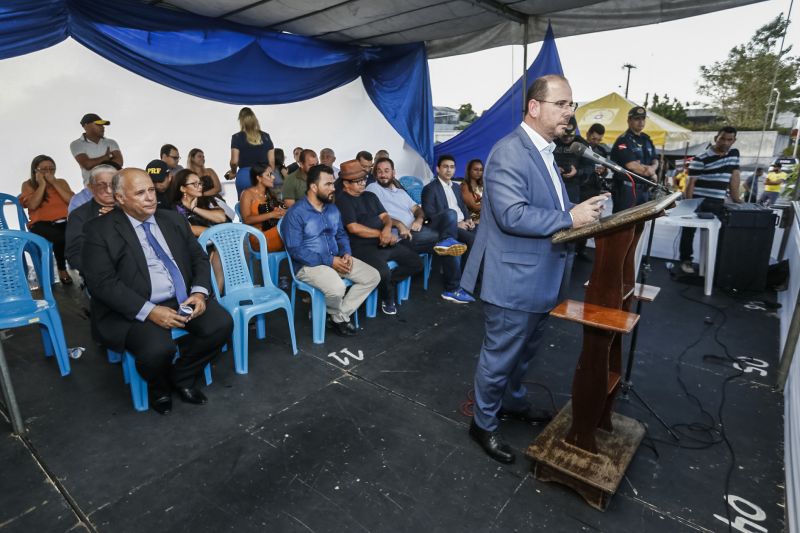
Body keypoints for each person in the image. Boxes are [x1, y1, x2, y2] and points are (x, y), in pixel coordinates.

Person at [460, 74, 609, 464]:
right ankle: (483, 423)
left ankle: (512, 401)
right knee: (500, 357)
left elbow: (546, 208)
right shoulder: (510, 151)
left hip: (542, 276)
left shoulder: (545, 151)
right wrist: (570, 218)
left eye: (572, 105)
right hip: (513, 278)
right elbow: (511, 215)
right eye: (562, 104)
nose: (570, 113)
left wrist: (581, 214)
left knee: (523, 353)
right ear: (534, 107)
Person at [81, 168, 233, 415]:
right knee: (158, 350)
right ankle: (158, 387)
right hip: (135, 305)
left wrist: (199, 292)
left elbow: (198, 258)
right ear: (120, 198)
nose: (150, 197)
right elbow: (102, 283)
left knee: (221, 324)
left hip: (182, 297)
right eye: (140, 193)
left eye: (151, 190)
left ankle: (182, 377)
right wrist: (149, 311)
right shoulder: (100, 230)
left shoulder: (172, 219)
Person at [282, 164, 380, 337]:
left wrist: (346, 253)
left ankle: (337, 316)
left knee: (372, 276)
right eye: (328, 184)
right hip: (309, 265)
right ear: (313, 186)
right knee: (337, 288)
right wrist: (329, 261)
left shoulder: (333, 209)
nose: (333, 188)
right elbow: (295, 250)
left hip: (337, 259)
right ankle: (337, 316)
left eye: (333, 184)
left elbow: (341, 234)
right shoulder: (296, 213)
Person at [367, 157, 473, 304]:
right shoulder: (373, 189)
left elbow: (418, 209)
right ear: (375, 174)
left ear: (393, 173)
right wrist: (399, 224)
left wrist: (418, 219)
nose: (382, 174)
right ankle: (452, 289)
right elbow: (377, 216)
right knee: (451, 243)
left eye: (386, 171)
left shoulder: (400, 192)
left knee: (450, 214)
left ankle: (447, 243)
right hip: (405, 237)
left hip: (420, 229)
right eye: (379, 171)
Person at [335, 160, 422, 315]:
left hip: (383, 242)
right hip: (360, 247)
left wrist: (387, 229)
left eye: (363, 179)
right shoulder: (343, 200)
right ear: (346, 184)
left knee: (416, 263)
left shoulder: (370, 196)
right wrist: (381, 234)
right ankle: (387, 297)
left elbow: (385, 217)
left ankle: (387, 285)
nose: (362, 183)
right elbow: (353, 228)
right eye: (357, 182)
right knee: (383, 272)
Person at [680, 126, 742, 274]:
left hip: (719, 202)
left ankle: (715, 264)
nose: (725, 142)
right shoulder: (700, 158)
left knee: (721, 234)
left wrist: (736, 198)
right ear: (716, 138)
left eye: (729, 139)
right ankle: (685, 260)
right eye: (722, 139)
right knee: (688, 232)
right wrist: (689, 205)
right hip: (699, 201)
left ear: (734, 141)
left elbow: (735, 176)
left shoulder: (734, 154)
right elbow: (690, 184)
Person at [19, 155, 76, 285]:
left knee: (80, 232)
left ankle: (81, 265)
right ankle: (62, 269)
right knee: (61, 237)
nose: (48, 172)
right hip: (40, 224)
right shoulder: (28, 185)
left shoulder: (61, 182)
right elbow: (33, 205)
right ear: (35, 170)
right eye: (44, 169)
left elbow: (72, 201)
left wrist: (54, 183)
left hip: (64, 220)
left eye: (52, 169)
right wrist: (42, 185)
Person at [65, 164, 116, 276]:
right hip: (101, 276)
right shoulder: (79, 216)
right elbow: (74, 254)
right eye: (101, 185)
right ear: (91, 187)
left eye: (113, 184)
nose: (108, 190)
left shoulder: (130, 208)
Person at [69, 113, 123, 212]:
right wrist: (107, 157)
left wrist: (95, 162)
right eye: (98, 124)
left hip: (115, 187)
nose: (102, 127)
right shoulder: (76, 144)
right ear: (85, 126)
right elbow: (87, 164)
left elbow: (119, 162)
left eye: (103, 125)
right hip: (91, 190)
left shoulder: (111, 142)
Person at [609, 106, 659, 212]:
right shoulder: (623, 140)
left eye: (643, 118)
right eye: (637, 119)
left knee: (640, 224)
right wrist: (650, 172)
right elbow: (631, 166)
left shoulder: (646, 139)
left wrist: (651, 169)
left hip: (644, 190)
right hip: (627, 190)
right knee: (623, 224)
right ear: (629, 120)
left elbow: (655, 160)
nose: (641, 122)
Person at [422, 155, 477, 250]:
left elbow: (462, 206)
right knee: (473, 239)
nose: (449, 170)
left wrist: (468, 219)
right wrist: (455, 224)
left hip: (464, 223)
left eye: (452, 167)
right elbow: (430, 216)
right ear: (438, 169)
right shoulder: (430, 189)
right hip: (447, 227)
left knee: (485, 235)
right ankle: (466, 265)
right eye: (445, 166)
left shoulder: (456, 187)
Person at [575, 123, 609, 260]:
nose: (596, 142)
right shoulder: (580, 148)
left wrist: (604, 171)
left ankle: (581, 249)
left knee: (591, 222)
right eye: (593, 138)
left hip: (594, 189)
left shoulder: (601, 150)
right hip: (580, 189)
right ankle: (574, 248)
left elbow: (606, 170)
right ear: (588, 134)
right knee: (579, 221)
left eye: (599, 140)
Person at [227, 107, 275, 197]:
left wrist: (233, 172)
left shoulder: (237, 137)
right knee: (264, 207)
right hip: (262, 175)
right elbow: (272, 162)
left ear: (241, 121)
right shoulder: (266, 136)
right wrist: (269, 175)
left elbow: (234, 161)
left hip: (244, 175)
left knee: (245, 206)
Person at [239, 163, 286, 252]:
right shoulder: (247, 194)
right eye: (269, 175)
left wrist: (281, 212)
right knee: (291, 228)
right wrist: (272, 214)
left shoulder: (269, 193)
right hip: (259, 237)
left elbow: (275, 214)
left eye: (272, 174)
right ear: (259, 178)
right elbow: (247, 220)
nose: (273, 177)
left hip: (273, 230)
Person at [170, 169, 229, 237]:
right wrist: (217, 233)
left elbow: (221, 217)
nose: (200, 187)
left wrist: (195, 209)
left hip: (219, 241)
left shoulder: (204, 199)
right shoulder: (177, 207)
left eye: (200, 183)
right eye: (195, 184)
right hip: (201, 244)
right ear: (183, 188)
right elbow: (190, 229)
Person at [553, 118, 582, 204]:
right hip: (554, 185)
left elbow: (589, 166)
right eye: (565, 136)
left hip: (574, 186)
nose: (568, 138)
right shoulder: (552, 142)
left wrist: (577, 172)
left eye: (571, 136)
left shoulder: (580, 143)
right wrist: (554, 169)